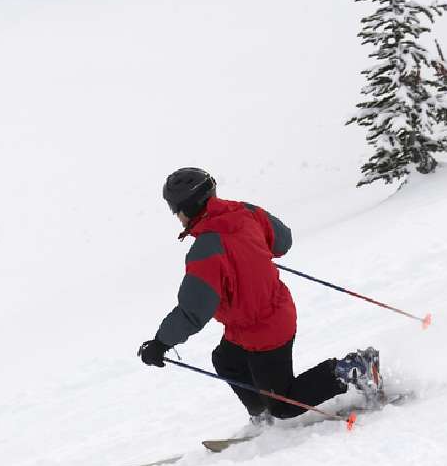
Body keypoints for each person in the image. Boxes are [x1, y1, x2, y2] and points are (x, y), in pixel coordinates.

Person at [137, 167, 381, 427]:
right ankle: (263, 419)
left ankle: (354, 368)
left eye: (175, 210)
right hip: (261, 316)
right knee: (226, 361)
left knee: (285, 404)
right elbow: (282, 241)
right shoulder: (244, 211)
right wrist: (250, 256)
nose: (177, 216)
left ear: (187, 208)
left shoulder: (205, 252)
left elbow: (193, 311)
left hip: (266, 329)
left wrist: (161, 343)